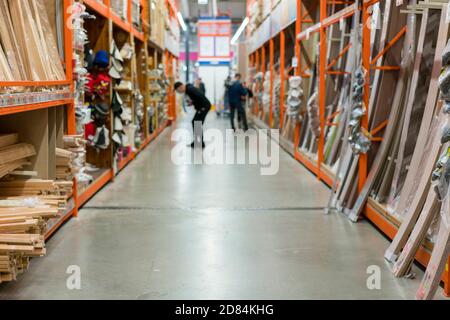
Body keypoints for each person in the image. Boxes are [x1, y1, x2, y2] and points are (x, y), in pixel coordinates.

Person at [174, 81, 211, 148]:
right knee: (195, 122)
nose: (178, 92)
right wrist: (192, 102)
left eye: (178, 90)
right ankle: (199, 142)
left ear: (180, 87)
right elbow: (196, 97)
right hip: (203, 106)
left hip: (204, 107)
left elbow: (200, 95)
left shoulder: (190, 89)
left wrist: (202, 107)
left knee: (196, 122)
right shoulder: (189, 89)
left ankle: (199, 143)